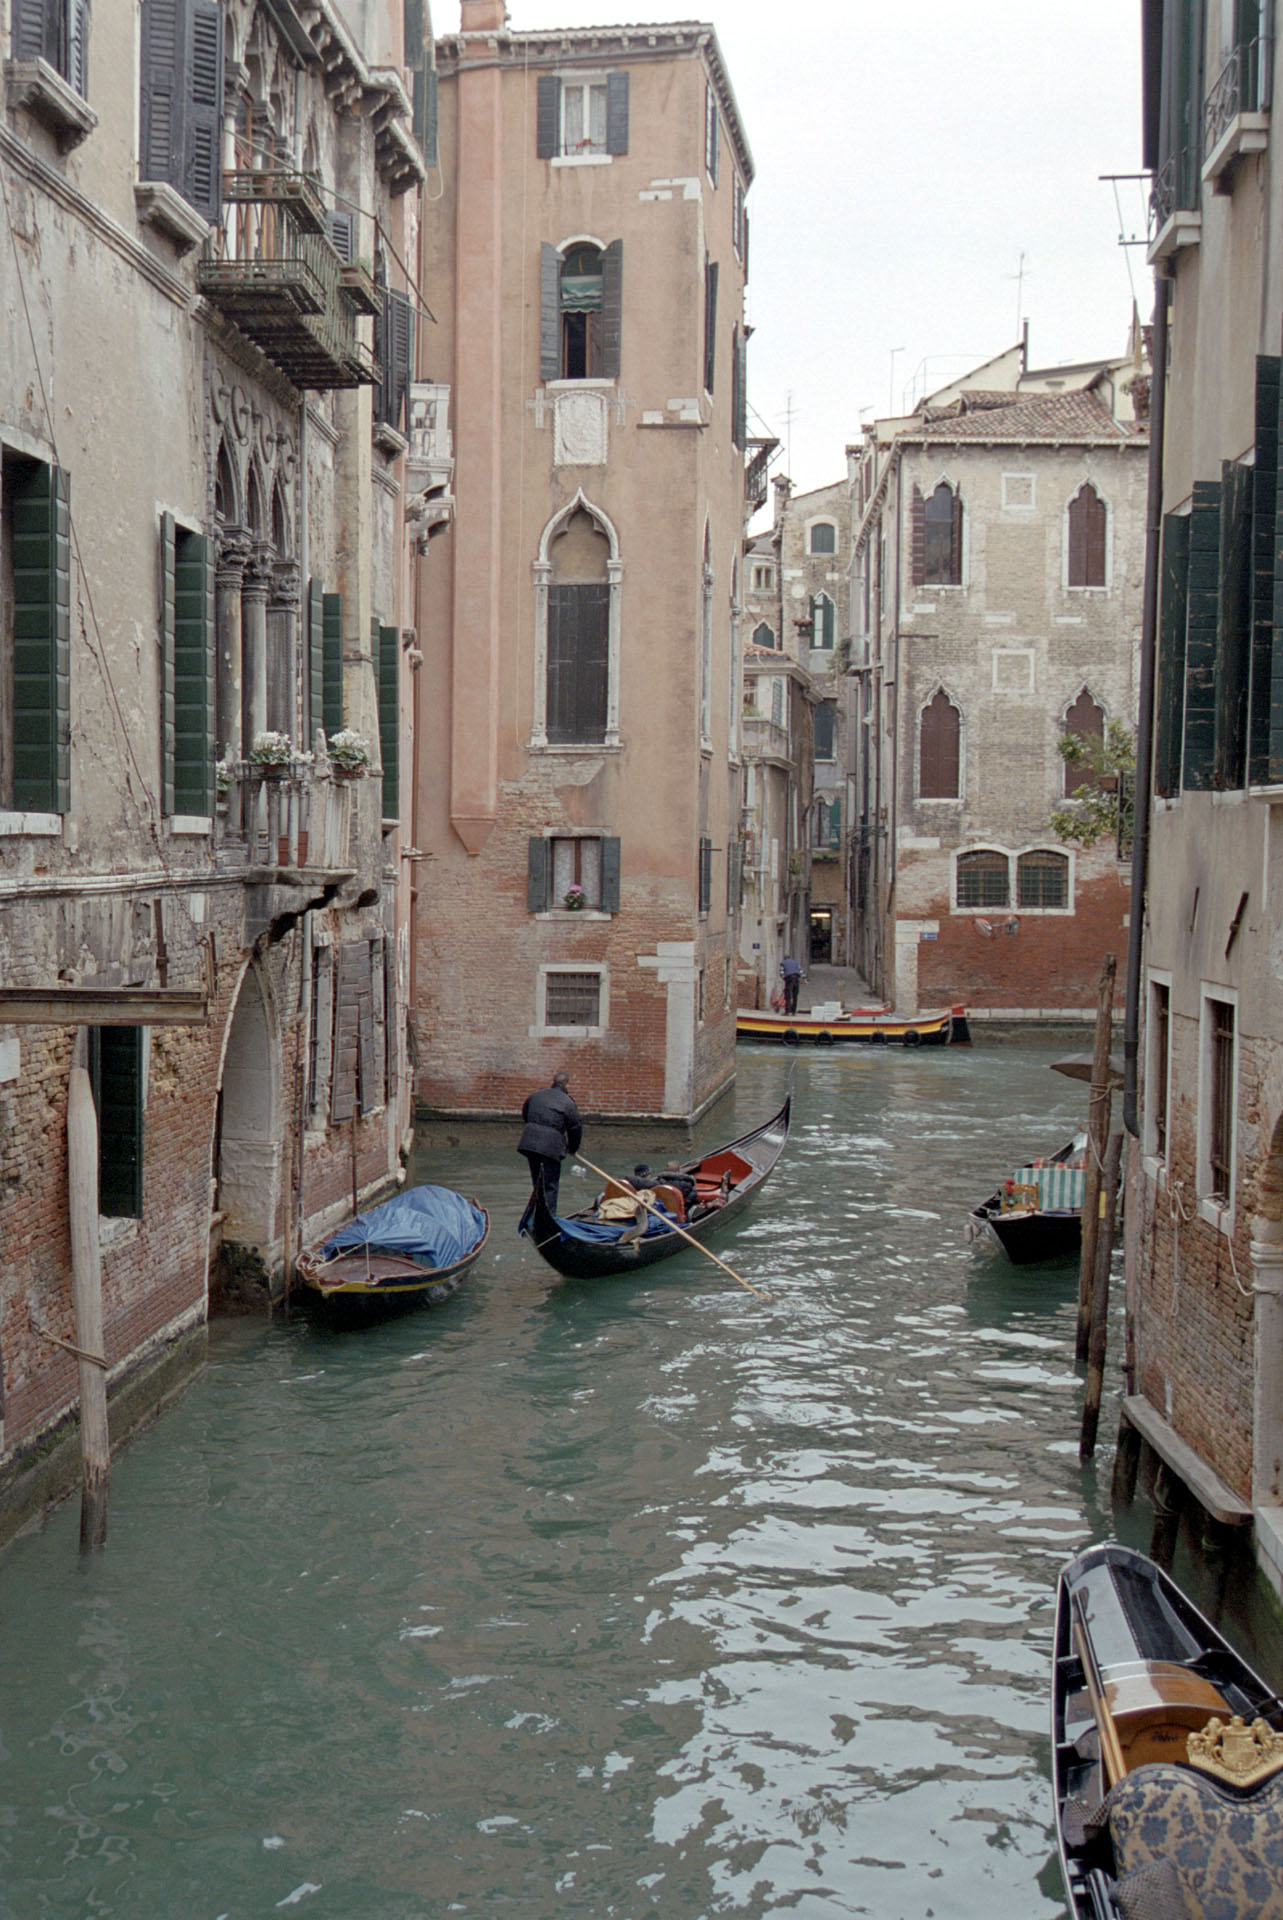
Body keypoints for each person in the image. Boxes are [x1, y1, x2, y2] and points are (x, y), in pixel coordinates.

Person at [517, 1070, 582, 1214]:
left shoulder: (536, 1095)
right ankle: (549, 1215)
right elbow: (575, 1128)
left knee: (537, 1180)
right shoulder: (568, 1102)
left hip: (530, 1142)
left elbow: (525, 1114)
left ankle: (537, 1212)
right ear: (566, 1084)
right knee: (550, 1184)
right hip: (551, 1146)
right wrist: (572, 1149)